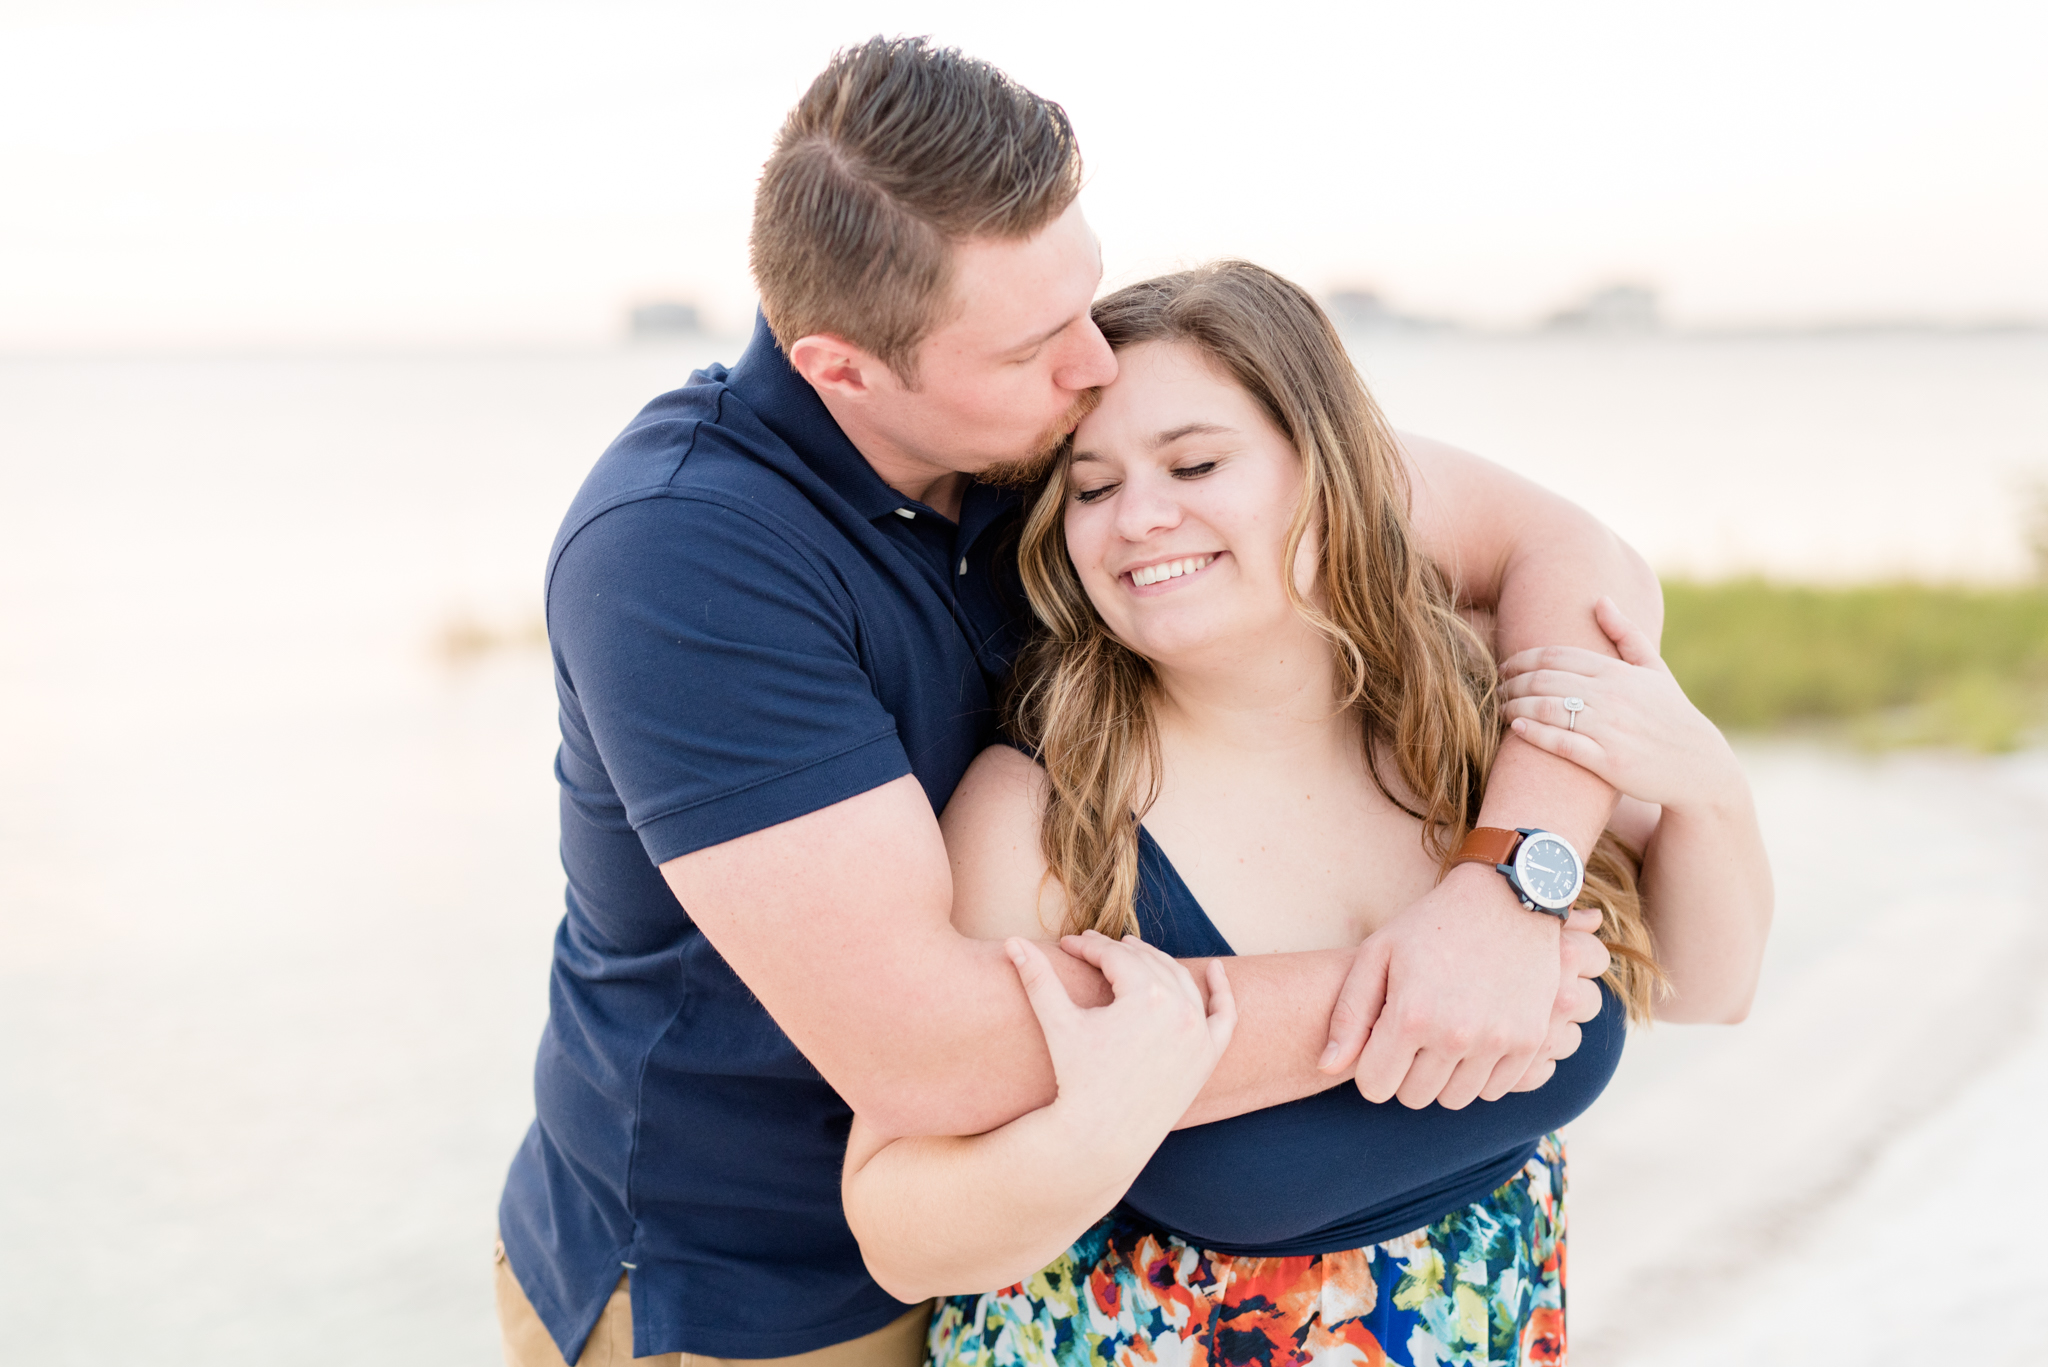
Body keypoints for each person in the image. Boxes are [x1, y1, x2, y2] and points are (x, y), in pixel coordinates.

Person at [494, 37, 1664, 1367]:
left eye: (1084, 298)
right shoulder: (682, 555)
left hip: (1059, 1252)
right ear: (845, 369)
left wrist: (1511, 884)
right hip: (757, 1286)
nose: (1094, 362)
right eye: (1032, 344)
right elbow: (924, 1050)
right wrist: (1420, 986)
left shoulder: (1075, 433)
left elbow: (1572, 557)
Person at [840, 262, 1772, 1367]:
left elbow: (1707, 989)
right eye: (1090, 487)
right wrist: (1095, 1126)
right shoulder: (1044, 814)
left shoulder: (1464, 714)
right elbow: (896, 1228)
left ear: (1328, 473)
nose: (1139, 517)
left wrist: (1707, 787)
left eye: (1194, 462)